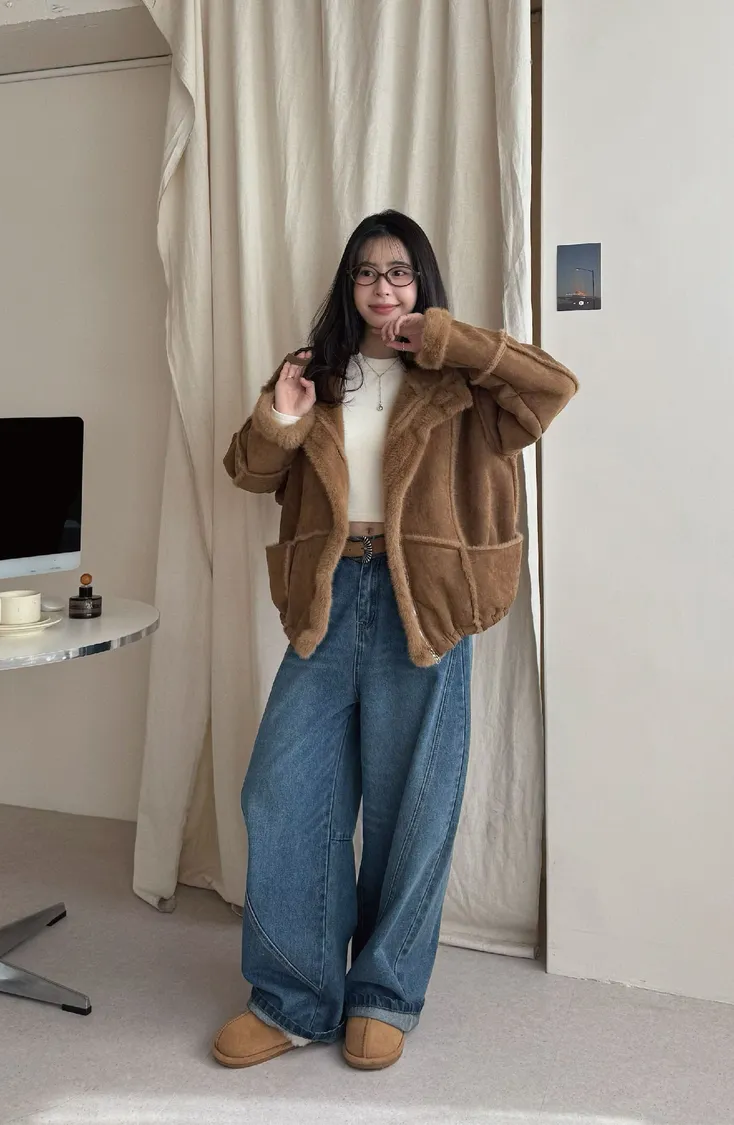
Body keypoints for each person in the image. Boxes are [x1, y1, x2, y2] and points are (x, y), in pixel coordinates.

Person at [216, 210, 577, 1071]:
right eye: (368, 272)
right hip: (330, 592)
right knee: (282, 789)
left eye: (400, 272)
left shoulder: (460, 379)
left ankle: (382, 992)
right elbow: (249, 471)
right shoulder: (313, 372)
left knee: (412, 801)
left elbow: (553, 387)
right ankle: (295, 996)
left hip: (427, 599)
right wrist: (282, 416)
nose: (383, 287)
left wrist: (447, 339)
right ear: (349, 286)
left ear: (422, 283)